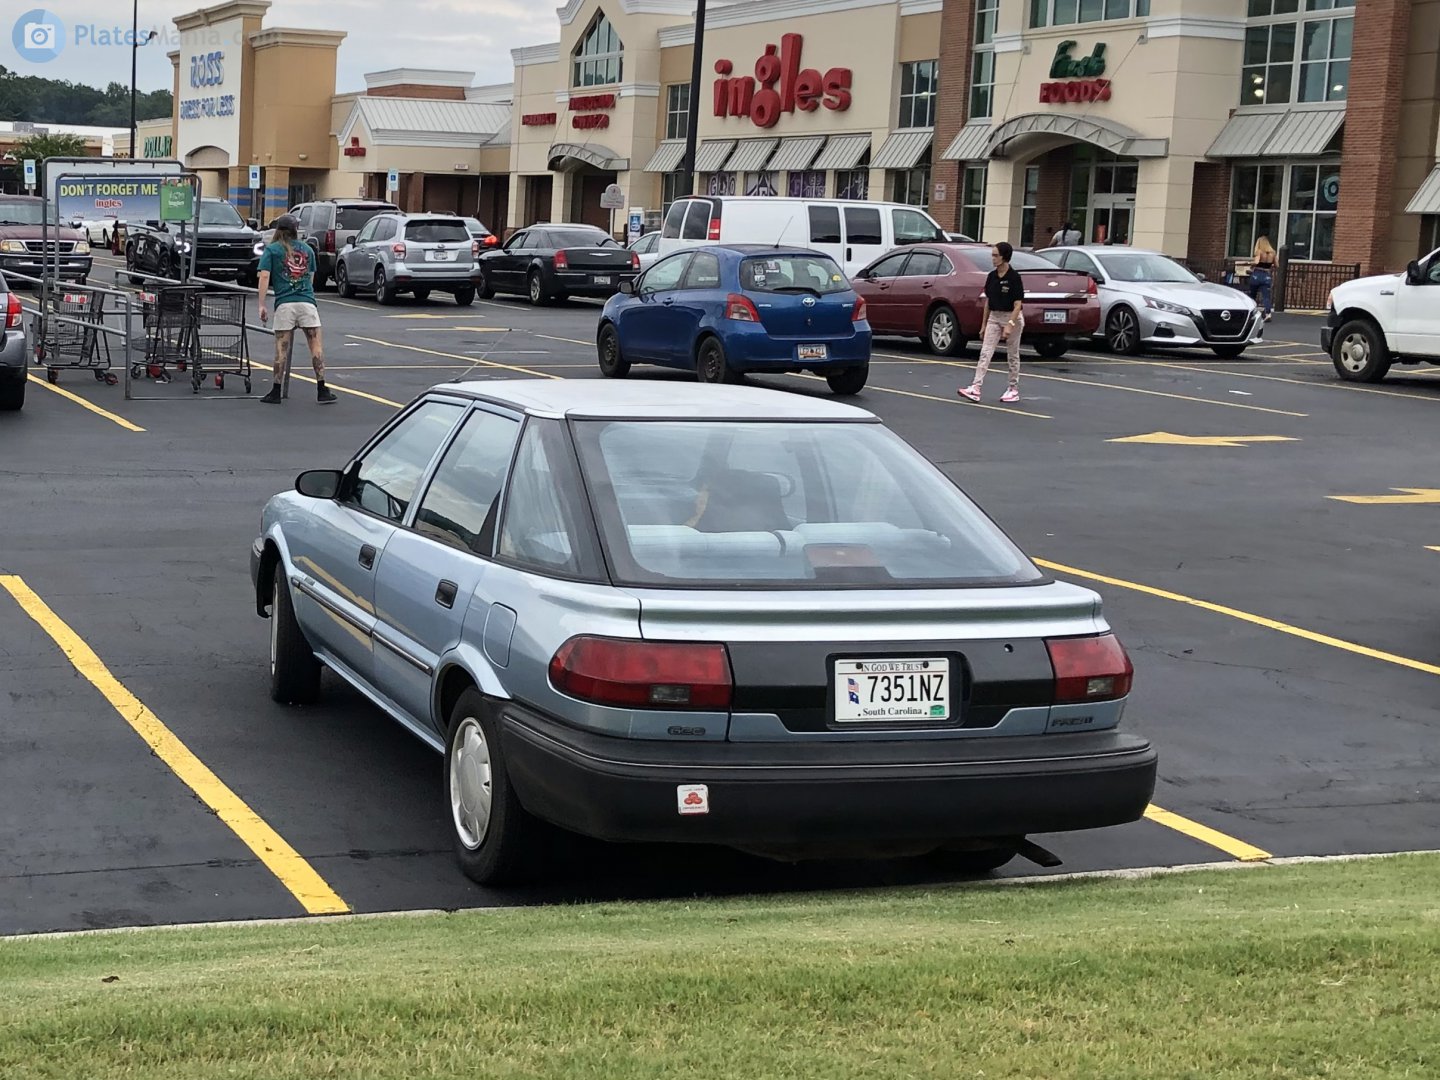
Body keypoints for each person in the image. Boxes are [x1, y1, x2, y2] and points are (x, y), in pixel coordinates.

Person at [255, 214, 336, 405]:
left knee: (281, 348)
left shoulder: (272, 250)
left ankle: (276, 390)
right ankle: (322, 388)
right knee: (315, 346)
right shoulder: (307, 250)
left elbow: (264, 277)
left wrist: (261, 304)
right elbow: (310, 278)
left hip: (285, 304)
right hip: (307, 302)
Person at [959, 242, 1024, 404]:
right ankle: (976, 387)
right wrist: (983, 325)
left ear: (1004, 257)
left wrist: (1010, 324)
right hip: (994, 316)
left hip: (1012, 316)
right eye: (992, 255)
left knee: (1012, 354)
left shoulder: (1014, 278)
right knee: (985, 352)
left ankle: (1013, 389)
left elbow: (1018, 305)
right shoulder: (992, 276)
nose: (993, 259)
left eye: (996, 255)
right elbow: (988, 302)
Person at [1250, 235, 1277, 321]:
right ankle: (1268, 313)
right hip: (1267, 275)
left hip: (1257, 275)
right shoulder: (1273, 253)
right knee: (1266, 296)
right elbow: (1277, 265)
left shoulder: (1259, 252)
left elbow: (1256, 262)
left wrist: (1251, 265)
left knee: (1253, 295)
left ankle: (1251, 313)